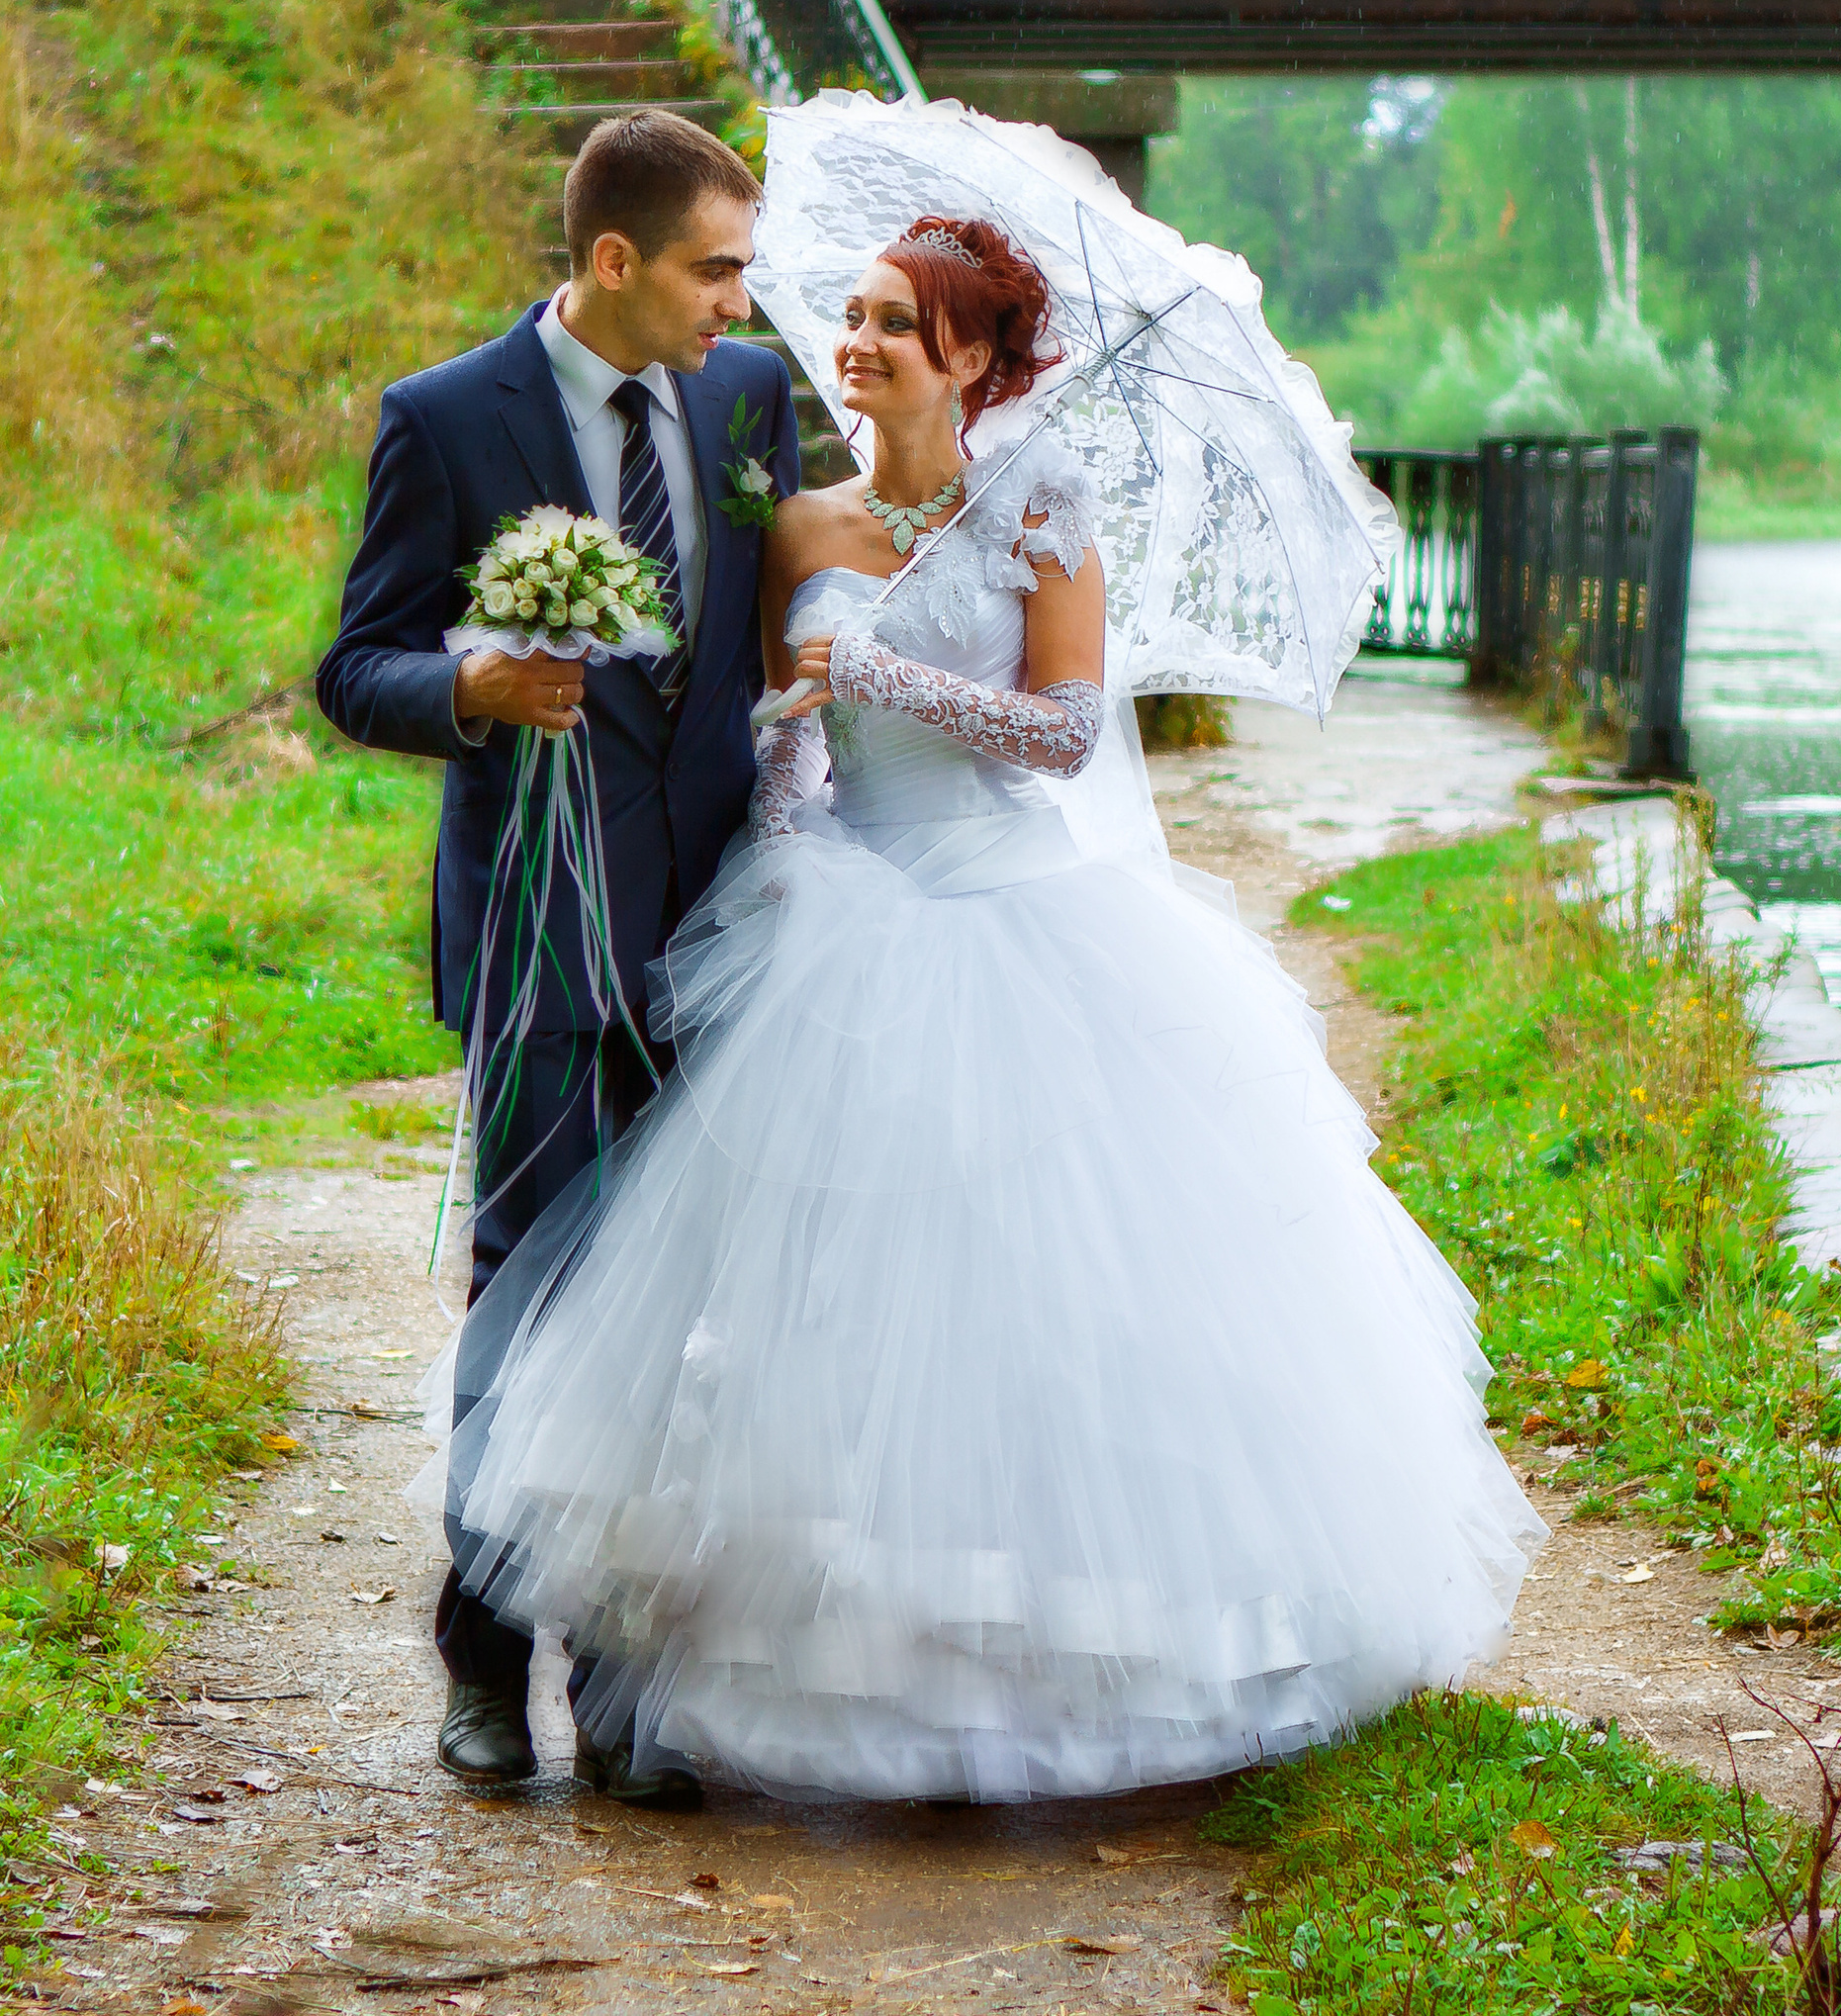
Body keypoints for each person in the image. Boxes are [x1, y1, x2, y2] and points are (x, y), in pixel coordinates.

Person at [439, 215, 1542, 1805]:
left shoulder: (1044, 503)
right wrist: (789, 779)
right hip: (846, 916)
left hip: (1019, 919)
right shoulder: (802, 525)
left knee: (1041, 1301)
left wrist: (888, 683)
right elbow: (786, 747)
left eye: (899, 323)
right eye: (860, 315)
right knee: (822, 1315)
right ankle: (780, 1664)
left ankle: (1057, 1656)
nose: (861, 341)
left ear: (968, 354)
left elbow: (1067, 727)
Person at [315, 110, 801, 1806]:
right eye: (713, 267)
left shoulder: (747, 403)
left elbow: (763, 632)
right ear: (615, 263)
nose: (742, 296)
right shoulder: (447, 420)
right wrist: (465, 690)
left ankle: (624, 1678)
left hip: (710, 931)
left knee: (670, 1311)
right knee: (523, 1286)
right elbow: (354, 665)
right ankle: (484, 1660)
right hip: (535, 931)